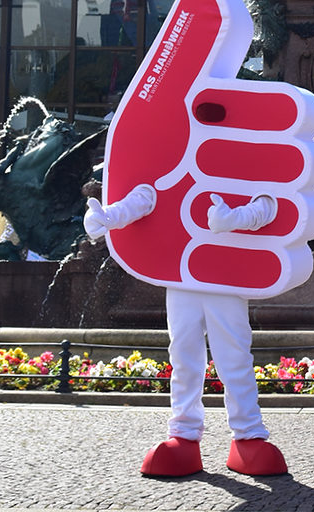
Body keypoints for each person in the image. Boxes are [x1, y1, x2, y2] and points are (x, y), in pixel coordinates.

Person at [84, 184, 287, 478]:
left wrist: (239, 218)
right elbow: (146, 196)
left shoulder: (240, 148)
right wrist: (110, 216)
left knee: (234, 356)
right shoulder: (172, 151)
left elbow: (269, 200)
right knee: (183, 355)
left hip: (226, 272)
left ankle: (248, 435)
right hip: (181, 271)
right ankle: (184, 434)